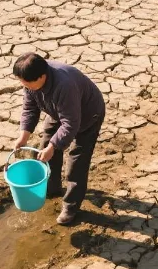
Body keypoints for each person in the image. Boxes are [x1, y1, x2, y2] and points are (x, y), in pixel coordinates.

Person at [12, 53, 106, 226]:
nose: (24, 86)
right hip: (59, 111)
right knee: (44, 150)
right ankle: (52, 188)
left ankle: (71, 206)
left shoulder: (65, 85)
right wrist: (23, 136)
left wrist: (53, 146)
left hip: (88, 115)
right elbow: (30, 108)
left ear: (42, 77)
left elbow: (71, 123)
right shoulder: (30, 79)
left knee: (76, 163)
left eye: (26, 83)